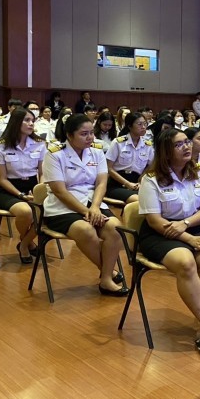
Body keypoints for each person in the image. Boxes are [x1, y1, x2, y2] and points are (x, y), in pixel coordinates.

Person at [137, 128, 200, 355]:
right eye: (179, 145)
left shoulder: (199, 173)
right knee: (186, 261)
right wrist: (188, 238)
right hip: (159, 234)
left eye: (187, 142)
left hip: (190, 226)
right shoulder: (151, 179)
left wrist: (186, 225)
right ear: (166, 152)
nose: (187, 147)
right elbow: (154, 221)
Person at [42, 114, 127, 296]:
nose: (90, 137)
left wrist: (94, 207)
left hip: (92, 201)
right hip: (62, 207)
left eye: (91, 133)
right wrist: (86, 211)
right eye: (84, 134)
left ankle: (105, 279)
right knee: (86, 230)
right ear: (69, 135)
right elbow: (59, 191)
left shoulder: (96, 152)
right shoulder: (54, 154)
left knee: (116, 229)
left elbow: (101, 183)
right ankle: (107, 273)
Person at [0, 108, 46, 264]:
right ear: (15, 122)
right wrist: (21, 195)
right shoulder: (1, 146)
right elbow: (2, 179)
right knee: (25, 211)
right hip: (8, 190)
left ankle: (24, 243)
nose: (31, 124)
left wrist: (39, 190)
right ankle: (27, 243)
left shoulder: (39, 144)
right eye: (27, 120)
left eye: (33, 121)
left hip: (33, 187)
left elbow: (42, 173)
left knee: (49, 212)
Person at [105, 112, 152, 203]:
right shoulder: (118, 143)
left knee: (156, 199)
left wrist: (141, 181)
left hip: (137, 183)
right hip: (117, 184)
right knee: (140, 201)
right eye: (139, 124)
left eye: (145, 124)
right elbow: (108, 168)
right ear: (130, 126)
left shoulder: (148, 145)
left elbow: (150, 166)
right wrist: (127, 183)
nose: (143, 127)